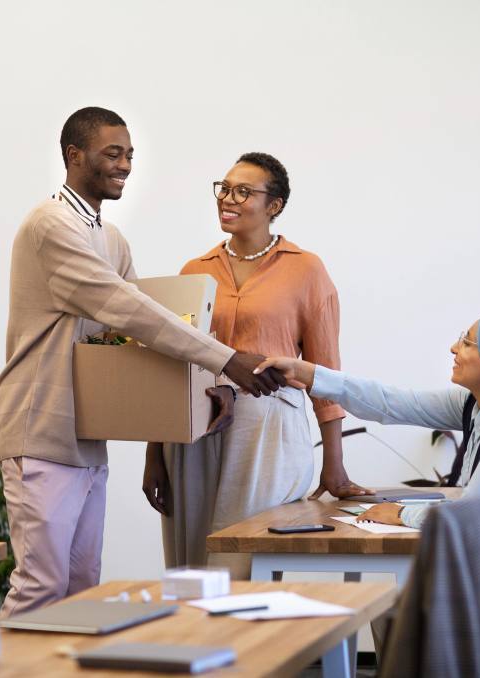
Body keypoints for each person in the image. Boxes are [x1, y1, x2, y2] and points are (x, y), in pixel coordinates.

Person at [0, 108, 285, 618]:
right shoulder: (51, 225)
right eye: (113, 153)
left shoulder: (110, 239)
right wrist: (229, 358)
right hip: (40, 429)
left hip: (85, 437)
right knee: (41, 588)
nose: (125, 164)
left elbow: (136, 335)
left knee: (82, 589)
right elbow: (129, 311)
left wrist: (212, 384)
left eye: (129, 155)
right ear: (74, 156)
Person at [142, 152, 370, 577]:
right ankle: (197, 641)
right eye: (224, 188)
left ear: (274, 205)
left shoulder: (306, 271)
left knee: (248, 557)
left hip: (268, 433)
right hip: (193, 431)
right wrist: (154, 455)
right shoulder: (195, 270)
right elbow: (169, 363)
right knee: (191, 561)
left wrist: (334, 464)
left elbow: (326, 377)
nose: (228, 198)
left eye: (244, 191)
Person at [256, 309, 480, 528]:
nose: (453, 348)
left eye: (467, 343)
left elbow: (471, 516)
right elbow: (391, 403)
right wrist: (304, 373)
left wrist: (402, 515)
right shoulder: (477, 405)